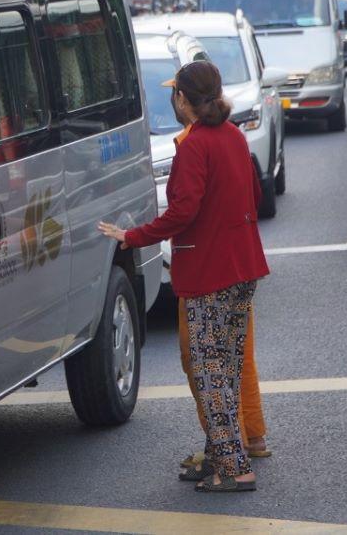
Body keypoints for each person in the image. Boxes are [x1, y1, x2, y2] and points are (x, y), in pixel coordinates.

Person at [98, 61, 269, 493]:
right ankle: (221, 453)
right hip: (242, 267)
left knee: (208, 371)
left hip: (210, 273)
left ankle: (233, 467)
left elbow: (182, 212)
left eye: (175, 93)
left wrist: (132, 236)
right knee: (225, 368)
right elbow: (254, 193)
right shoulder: (232, 135)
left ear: (182, 100)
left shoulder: (195, 146)